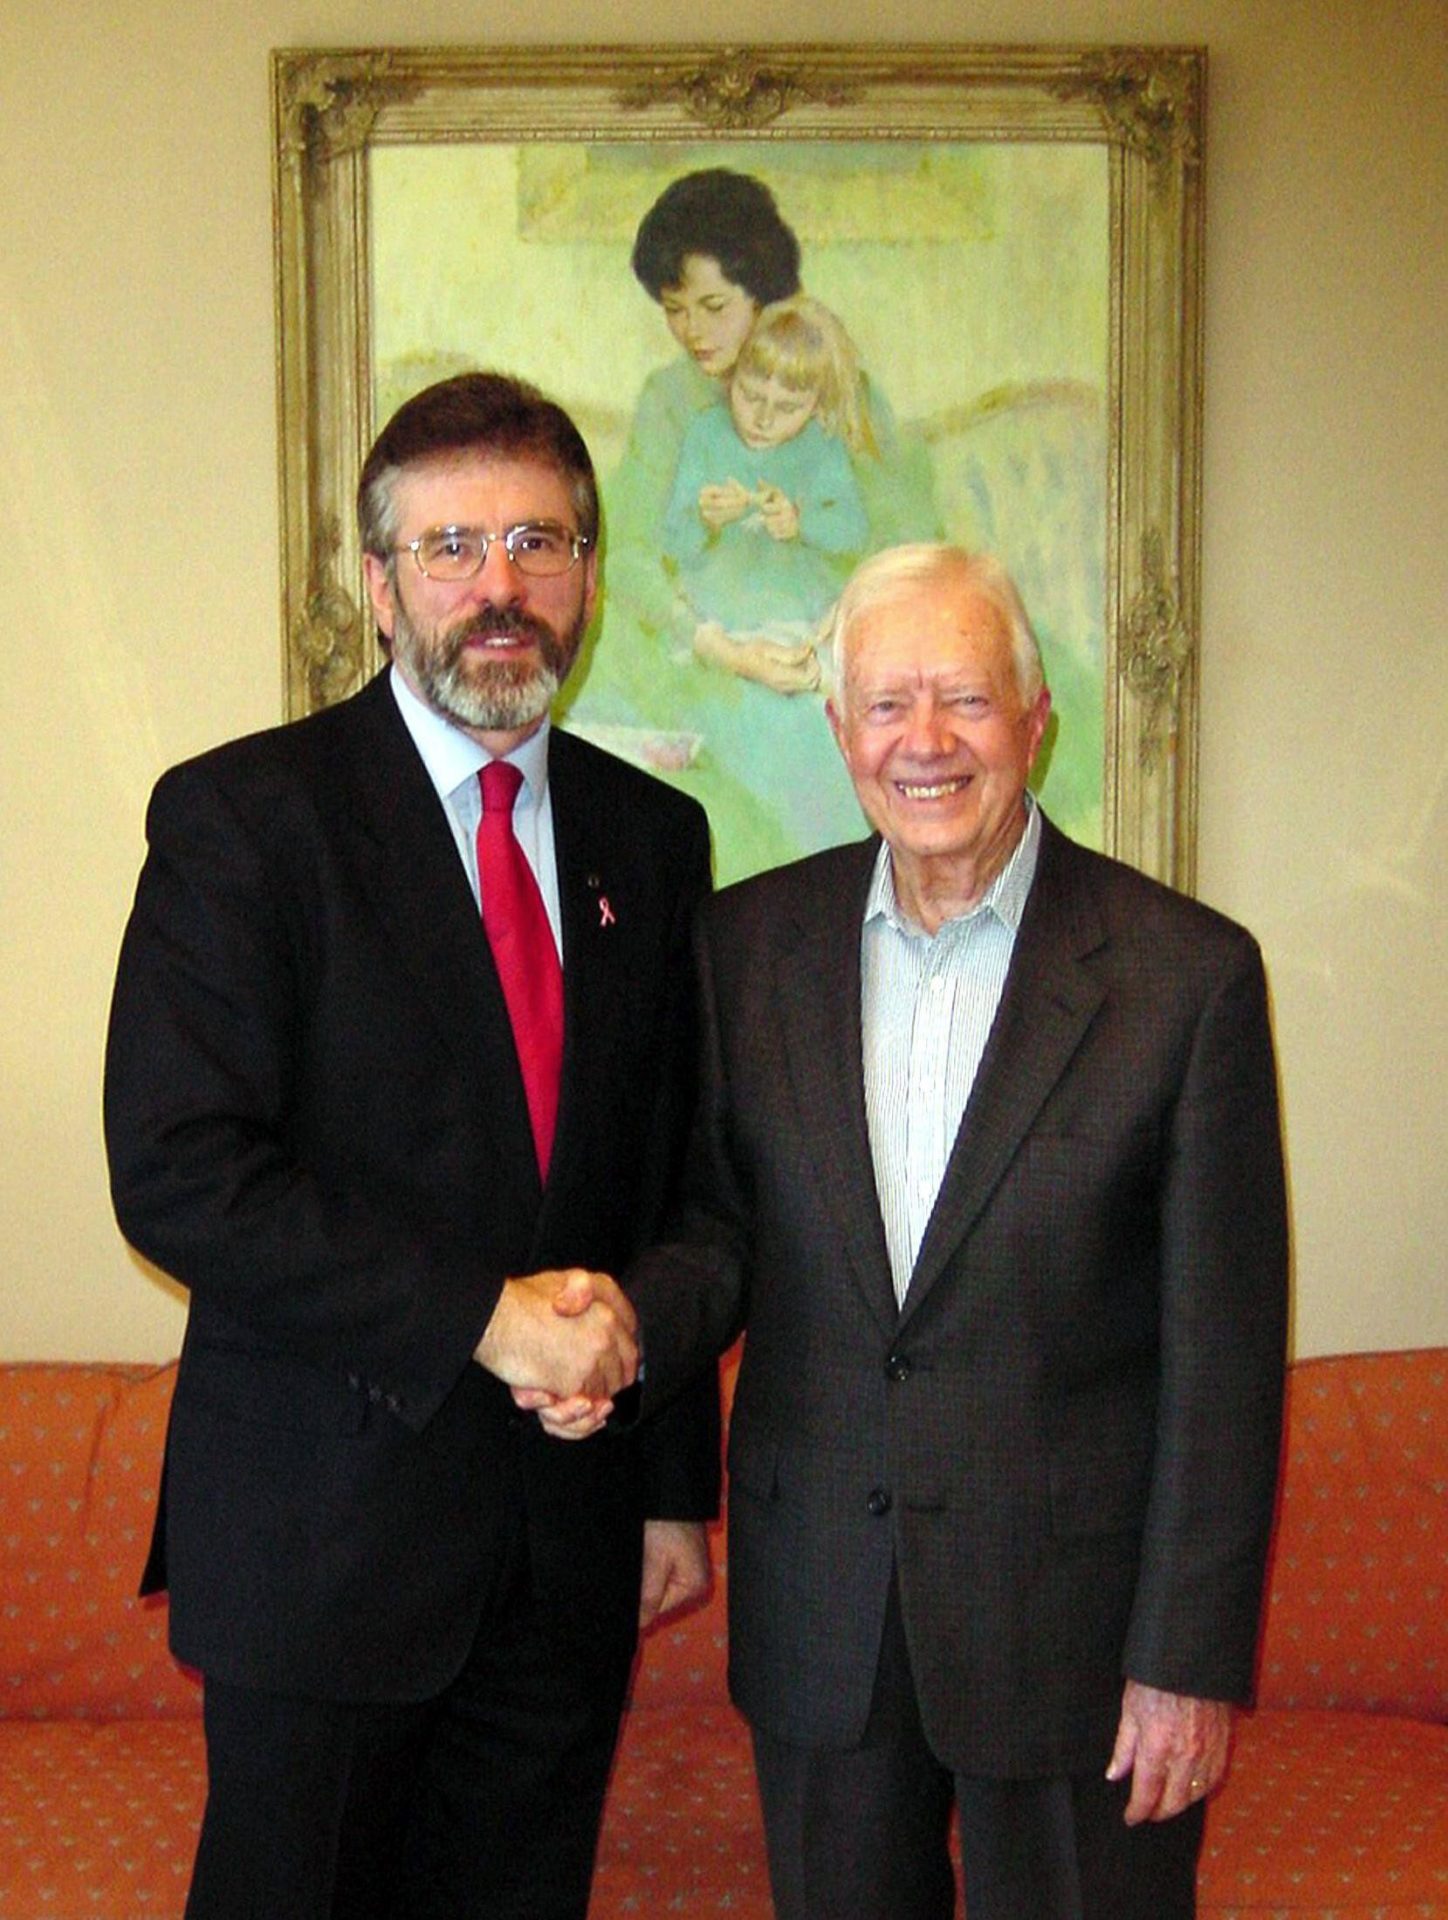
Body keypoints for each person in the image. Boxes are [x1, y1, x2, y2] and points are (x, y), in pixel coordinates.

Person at [103, 372, 719, 1920]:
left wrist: (661, 1474)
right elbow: (180, 1167)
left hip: (566, 1559)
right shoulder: (247, 818)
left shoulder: (656, 840)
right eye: (450, 549)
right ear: (378, 587)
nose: (496, 588)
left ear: (589, 572)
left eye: (535, 540)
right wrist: (483, 1320)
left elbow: (684, 1179)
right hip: (321, 1551)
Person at [603, 543, 1289, 1918]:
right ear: (838, 729)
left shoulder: (1185, 978)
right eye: (887, 703)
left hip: (1082, 1640)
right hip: (824, 1620)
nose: (925, 742)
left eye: (966, 700)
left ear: (1036, 721)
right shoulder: (744, 951)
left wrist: (1188, 1660)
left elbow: (1223, 1361)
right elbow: (717, 1237)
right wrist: (614, 1334)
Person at [664, 294, 872, 695]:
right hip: (720, 616)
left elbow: (853, 532)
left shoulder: (822, 446)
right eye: (752, 396)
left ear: (814, 406)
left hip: (800, 614)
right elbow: (673, 544)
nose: (762, 419)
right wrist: (705, 521)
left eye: (787, 407)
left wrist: (801, 521)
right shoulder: (707, 434)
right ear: (733, 377)